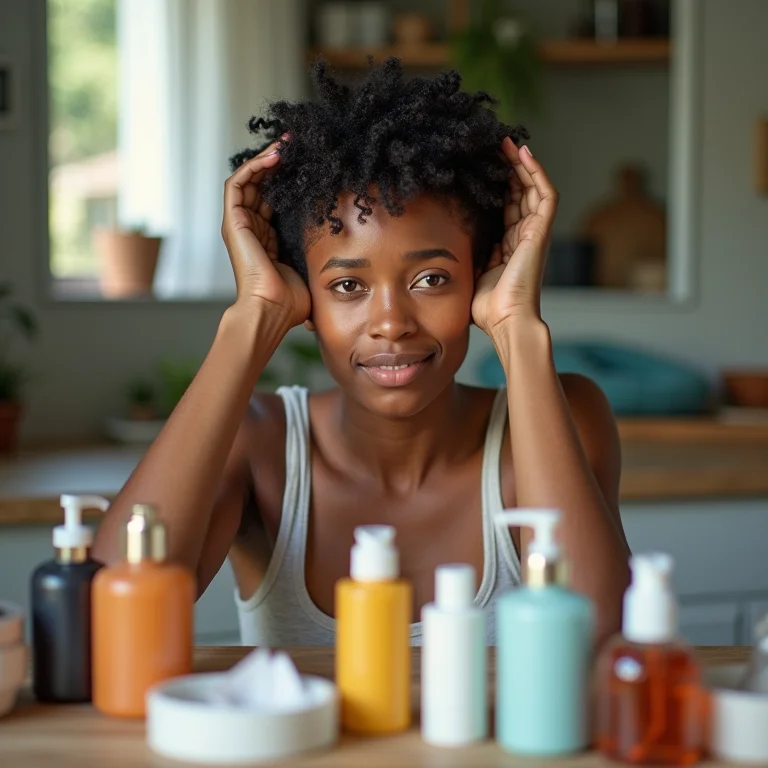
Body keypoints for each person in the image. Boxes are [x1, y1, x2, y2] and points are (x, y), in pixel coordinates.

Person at [92, 58, 631, 647]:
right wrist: (251, 319)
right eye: (348, 286)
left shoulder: (568, 416)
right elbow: (106, 623)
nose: (392, 324)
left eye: (431, 279)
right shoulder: (260, 446)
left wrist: (519, 331)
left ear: (480, 276)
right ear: (304, 301)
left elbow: (598, 636)